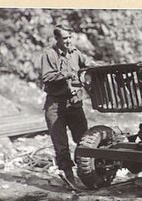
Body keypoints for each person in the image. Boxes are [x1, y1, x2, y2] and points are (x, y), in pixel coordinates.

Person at [40, 23, 91, 188]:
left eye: (70, 37)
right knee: (61, 144)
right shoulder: (49, 54)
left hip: (74, 104)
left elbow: (88, 67)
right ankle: (70, 178)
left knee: (84, 140)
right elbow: (46, 77)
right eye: (64, 38)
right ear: (57, 38)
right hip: (55, 105)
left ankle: (88, 175)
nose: (68, 41)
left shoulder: (76, 53)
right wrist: (67, 74)